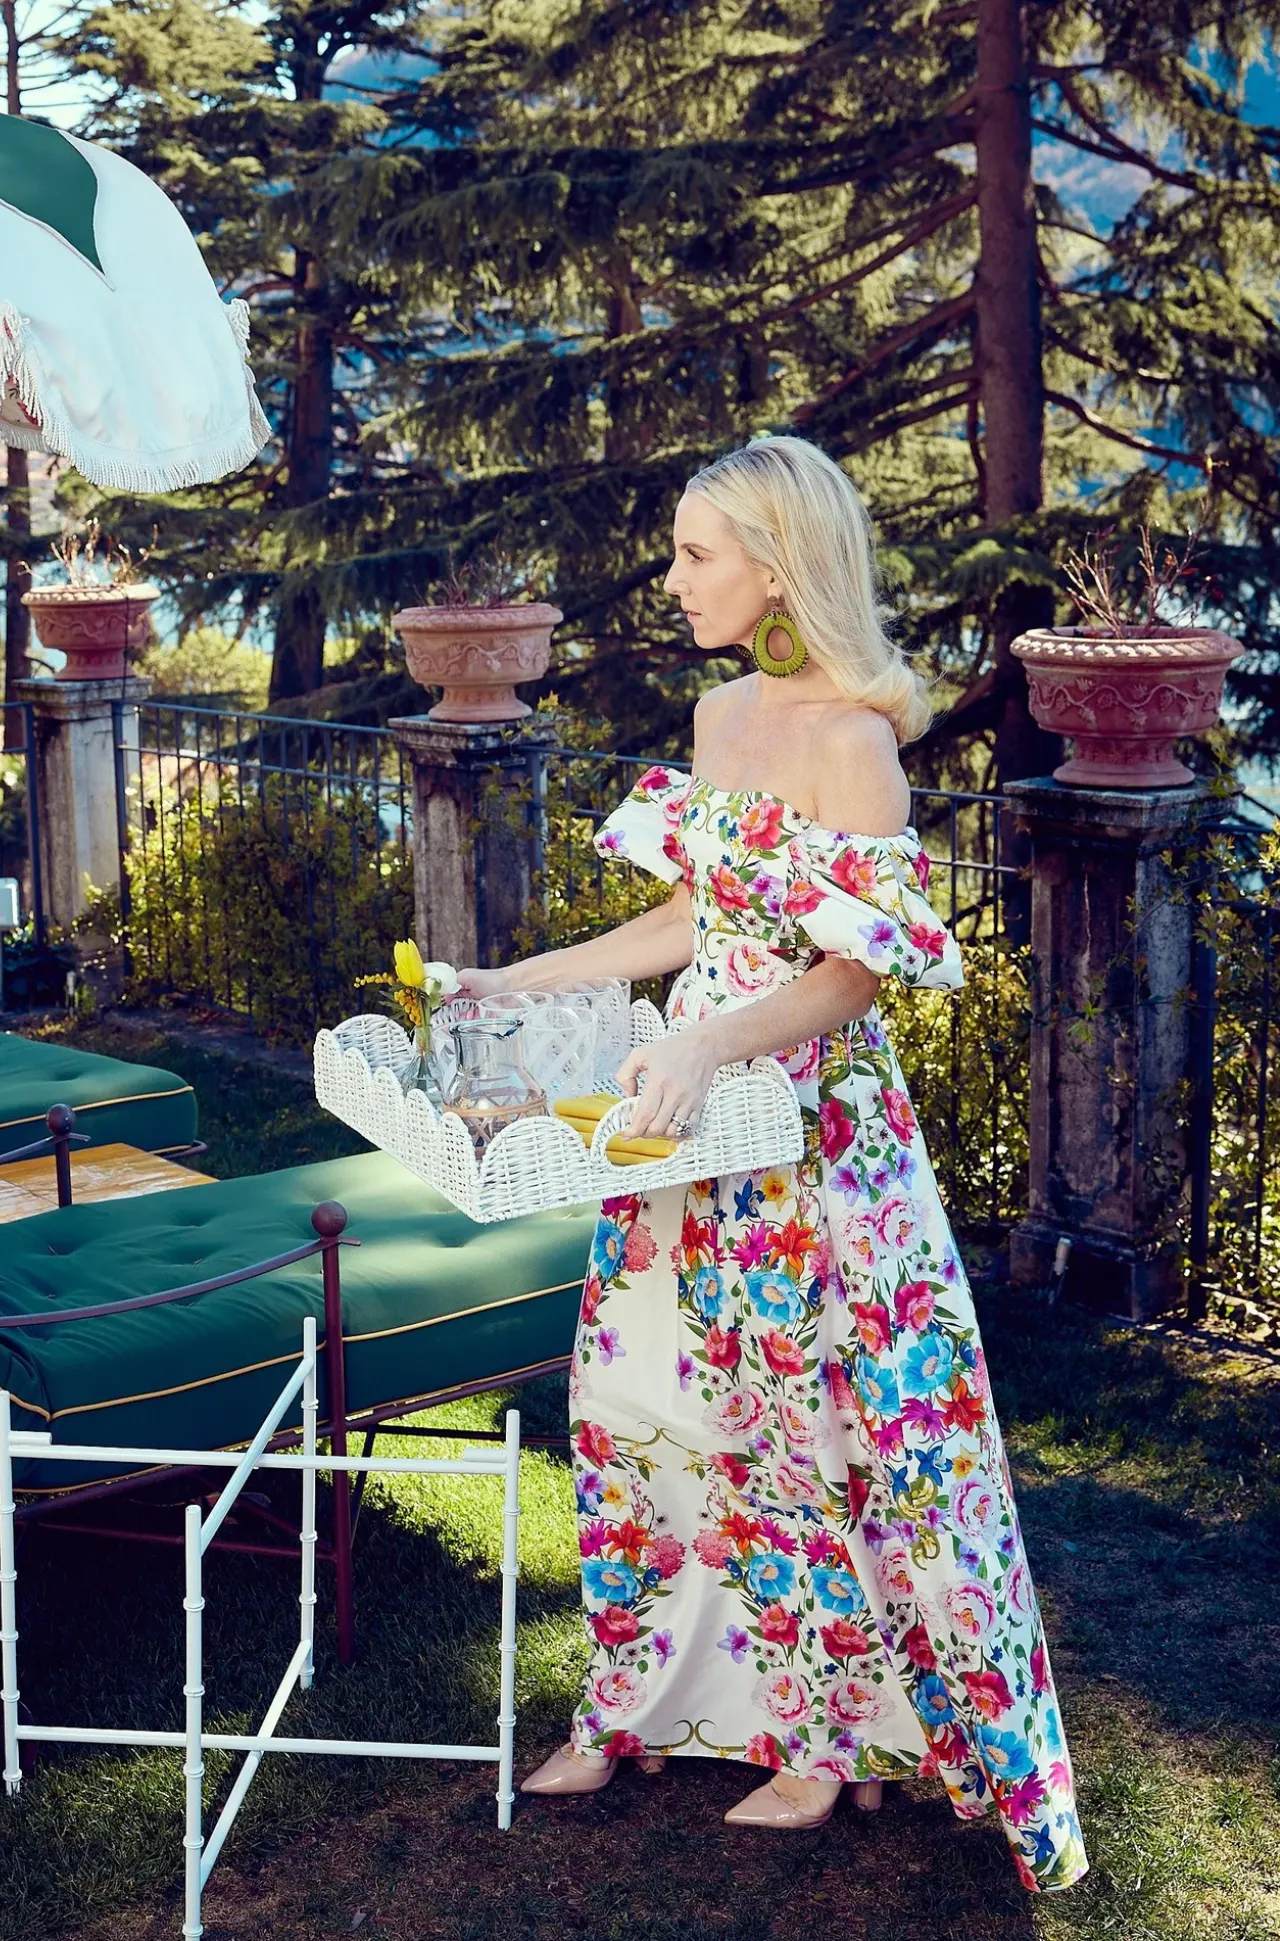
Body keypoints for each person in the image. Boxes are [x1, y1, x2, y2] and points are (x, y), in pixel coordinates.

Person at [455, 437, 1087, 1891]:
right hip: (683, 1119)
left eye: (699, 555)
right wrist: (518, 979)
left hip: (809, 1130)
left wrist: (709, 1042)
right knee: (634, 1406)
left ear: (780, 565)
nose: (674, 580)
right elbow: (696, 917)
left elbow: (850, 977)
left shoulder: (855, 743)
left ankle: (830, 1739)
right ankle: (637, 1705)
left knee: (809, 1431)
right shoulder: (718, 712)